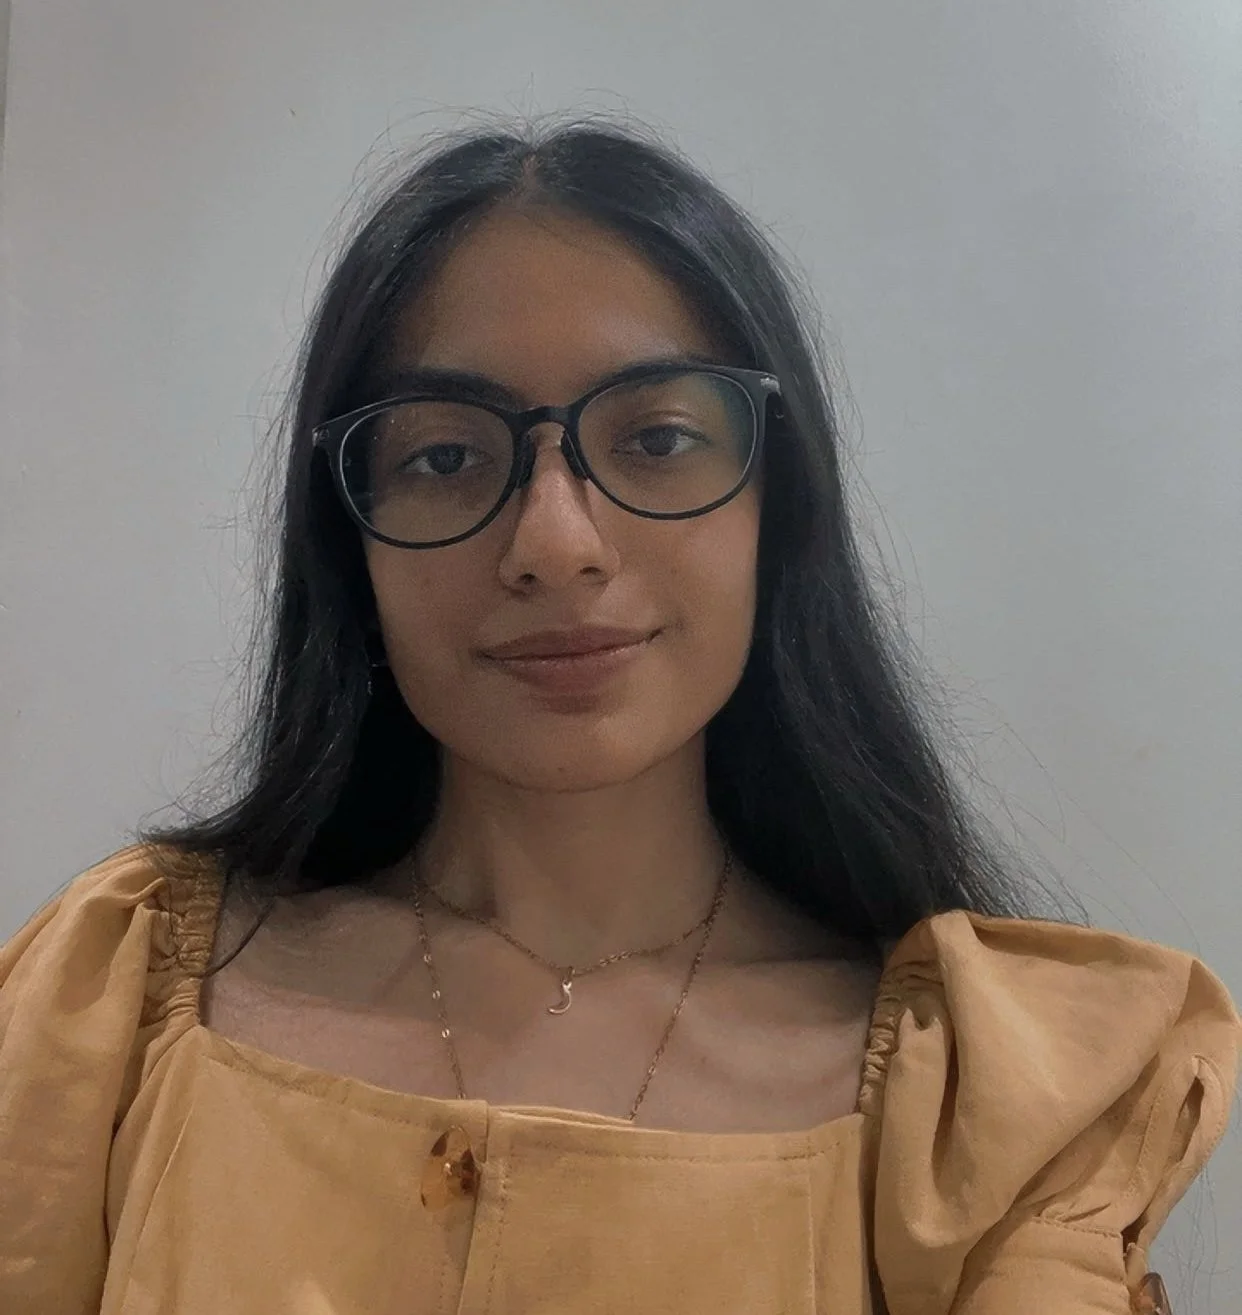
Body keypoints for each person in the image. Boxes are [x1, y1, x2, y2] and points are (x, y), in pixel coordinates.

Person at [0, 118, 1237, 1315]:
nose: (555, 542)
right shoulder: (109, 1021)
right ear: (349, 541)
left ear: (777, 508)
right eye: (444, 457)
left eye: (655, 436)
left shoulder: (990, 1113)